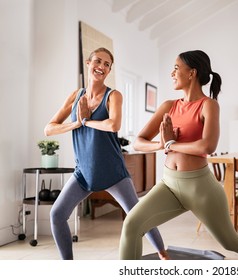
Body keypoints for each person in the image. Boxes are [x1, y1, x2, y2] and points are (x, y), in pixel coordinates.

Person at [119, 50, 238, 260]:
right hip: (169, 185)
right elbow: (138, 142)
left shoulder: (209, 105)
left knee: (230, 241)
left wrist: (171, 143)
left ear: (191, 73)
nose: (172, 73)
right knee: (132, 224)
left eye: (176, 68)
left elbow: (208, 145)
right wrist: (161, 143)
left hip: (201, 189)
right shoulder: (169, 106)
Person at [44, 47, 169, 260]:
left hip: (112, 172)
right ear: (88, 63)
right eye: (98, 62)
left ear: (109, 70)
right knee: (56, 215)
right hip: (83, 173)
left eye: (107, 64)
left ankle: (164, 255)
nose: (101, 67)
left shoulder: (113, 96)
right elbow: (49, 129)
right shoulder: (76, 96)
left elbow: (113, 125)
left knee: (138, 216)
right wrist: (75, 123)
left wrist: (86, 121)